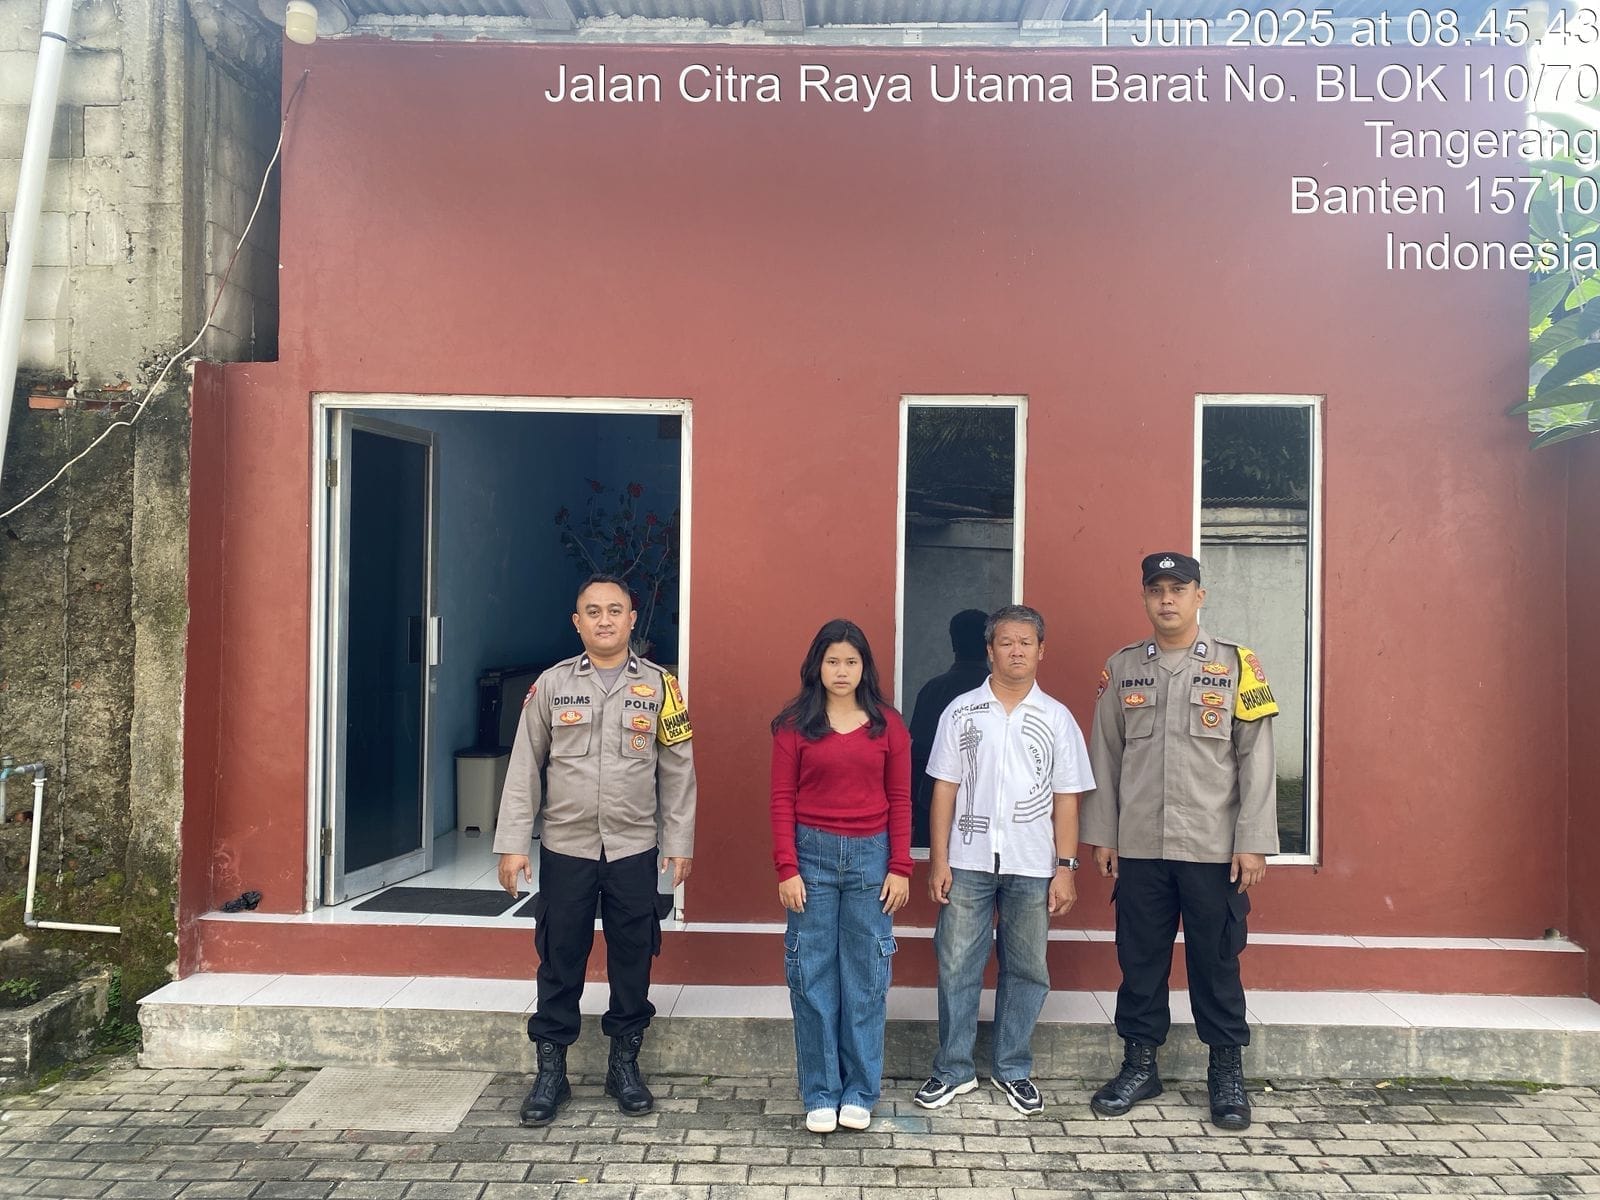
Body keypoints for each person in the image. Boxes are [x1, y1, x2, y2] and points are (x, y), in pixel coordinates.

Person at [1080, 552, 1279, 1132]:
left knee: (1216, 961)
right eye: (1156, 589)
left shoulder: (1238, 666)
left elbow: (1257, 759)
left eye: (1178, 588)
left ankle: (1226, 1074)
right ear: (1144, 598)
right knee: (1138, 959)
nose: (1167, 599)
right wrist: (1103, 834)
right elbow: (1106, 756)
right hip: (1140, 847)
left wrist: (1253, 842)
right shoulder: (1122, 669)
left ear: (1200, 596)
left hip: (1213, 849)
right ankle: (1141, 1065)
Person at [495, 573, 696, 1127]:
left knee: (634, 955)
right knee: (560, 957)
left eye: (615, 610)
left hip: (634, 846)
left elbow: (678, 771)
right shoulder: (553, 686)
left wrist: (679, 842)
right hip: (567, 847)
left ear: (633, 619)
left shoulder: (662, 687)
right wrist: (513, 843)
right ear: (576, 622)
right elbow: (523, 769)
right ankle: (551, 1071)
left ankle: (623, 1066)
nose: (605, 620)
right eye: (593, 611)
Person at [916, 603, 1094, 1116]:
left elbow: (1067, 798)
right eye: (1005, 642)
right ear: (989, 650)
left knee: (1027, 968)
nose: (1016, 651)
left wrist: (1066, 868)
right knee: (956, 965)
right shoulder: (961, 711)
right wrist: (939, 859)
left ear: (1041, 650)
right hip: (968, 861)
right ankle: (952, 1069)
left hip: (1033, 863)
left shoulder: (1056, 718)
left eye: (1026, 642)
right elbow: (943, 789)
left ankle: (1012, 1068)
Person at [770, 619, 912, 1134]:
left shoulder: (887, 725)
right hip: (811, 858)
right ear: (817, 666)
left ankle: (859, 1091)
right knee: (811, 976)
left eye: (851, 661)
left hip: (873, 860)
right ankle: (821, 1091)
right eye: (833, 661)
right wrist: (787, 867)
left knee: (866, 978)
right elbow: (781, 800)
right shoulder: (794, 725)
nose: (842, 670)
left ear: (864, 667)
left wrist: (900, 865)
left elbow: (901, 798)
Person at [908, 609, 990, 848]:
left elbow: (919, 756)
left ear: (953, 642)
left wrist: (914, 806)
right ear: (989, 644)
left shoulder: (933, 689)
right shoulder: (1001, 693)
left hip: (932, 805)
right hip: (984, 810)